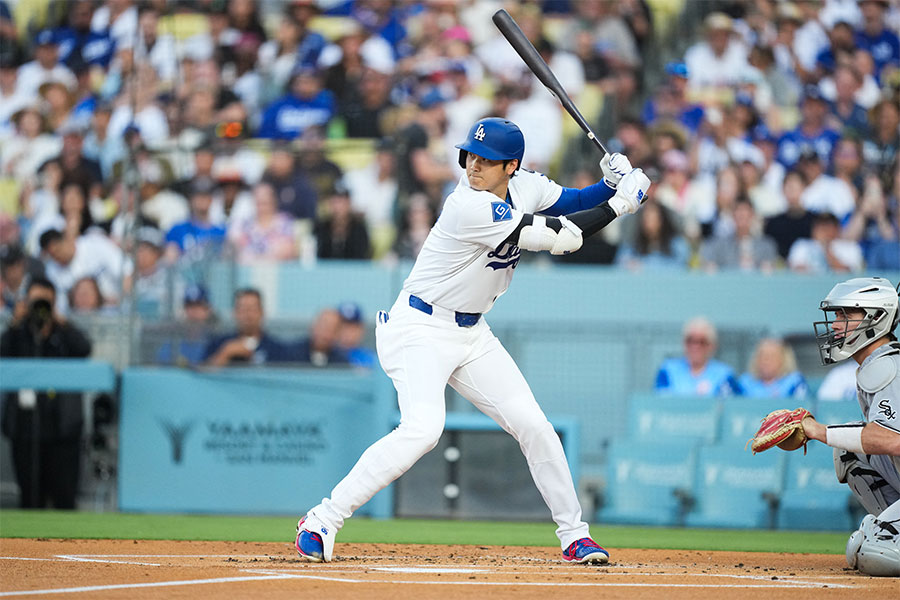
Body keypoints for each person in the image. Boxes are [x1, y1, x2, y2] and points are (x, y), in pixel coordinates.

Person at [294, 117, 650, 565]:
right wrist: (622, 203)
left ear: (511, 166)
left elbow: (573, 201)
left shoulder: (526, 186)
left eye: (487, 160)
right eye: (471, 156)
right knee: (423, 429)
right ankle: (322, 519)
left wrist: (609, 183)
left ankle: (575, 536)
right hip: (420, 327)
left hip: (472, 332)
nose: (474, 166)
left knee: (535, 426)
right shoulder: (467, 205)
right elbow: (563, 237)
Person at [793, 277, 900, 576]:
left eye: (845, 315)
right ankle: (889, 526)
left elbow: (892, 440)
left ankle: (888, 532)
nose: (836, 325)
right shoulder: (879, 362)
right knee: (848, 451)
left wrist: (818, 431)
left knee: (874, 552)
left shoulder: (888, 366)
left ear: (876, 318)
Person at [0, 277, 91, 508]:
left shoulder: (62, 332)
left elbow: (84, 348)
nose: (40, 308)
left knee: (65, 498)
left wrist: (60, 322)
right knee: (30, 498)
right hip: (25, 426)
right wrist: (16, 321)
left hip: (62, 429)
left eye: (45, 302)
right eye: (35, 301)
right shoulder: (19, 332)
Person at [203, 288, 294, 367]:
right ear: (235, 313)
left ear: (262, 312)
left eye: (252, 309)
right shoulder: (218, 344)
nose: (248, 315)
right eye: (243, 309)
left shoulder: (277, 350)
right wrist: (226, 353)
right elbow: (203, 374)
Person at [655, 317, 741, 397]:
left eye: (702, 342)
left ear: (712, 345)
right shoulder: (668, 370)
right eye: (690, 340)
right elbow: (662, 401)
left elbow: (727, 403)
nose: (695, 346)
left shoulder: (724, 375)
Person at [738, 338, 809, 399]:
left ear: (783, 360)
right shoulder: (745, 382)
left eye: (772, 356)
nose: (765, 360)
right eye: (761, 356)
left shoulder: (794, 381)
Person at [335, 301, 375, 368]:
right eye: (344, 327)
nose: (348, 333)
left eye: (353, 328)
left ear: (361, 330)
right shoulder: (326, 354)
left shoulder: (370, 357)